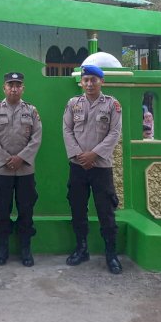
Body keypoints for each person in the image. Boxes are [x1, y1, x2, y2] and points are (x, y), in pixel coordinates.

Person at [62, 65, 123, 275]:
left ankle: (111, 254)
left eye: (93, 80)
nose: (89, 84)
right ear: (81, 82)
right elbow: (67, 130)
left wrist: (94, 155)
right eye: (86, 80)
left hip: (101, 167)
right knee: (78, 208)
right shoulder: (73, 104)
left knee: (106, 212)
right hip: (78, 166)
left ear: (101, 82)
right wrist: (80, 155)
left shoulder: (112, 105)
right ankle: (81, 249)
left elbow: (114, 133)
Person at [0, 72, 43, 267]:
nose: (14, 88)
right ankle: (2, 248)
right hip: (2, 170)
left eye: (18, 85)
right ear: (4, 88)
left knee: (26, 209)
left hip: (25, 170)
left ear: (23, 88)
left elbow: (36, 138)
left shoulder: (31, 111)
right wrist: (6, 159)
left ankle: (26, 248)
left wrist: (21, 158)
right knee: (2, 209)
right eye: (11, 85)